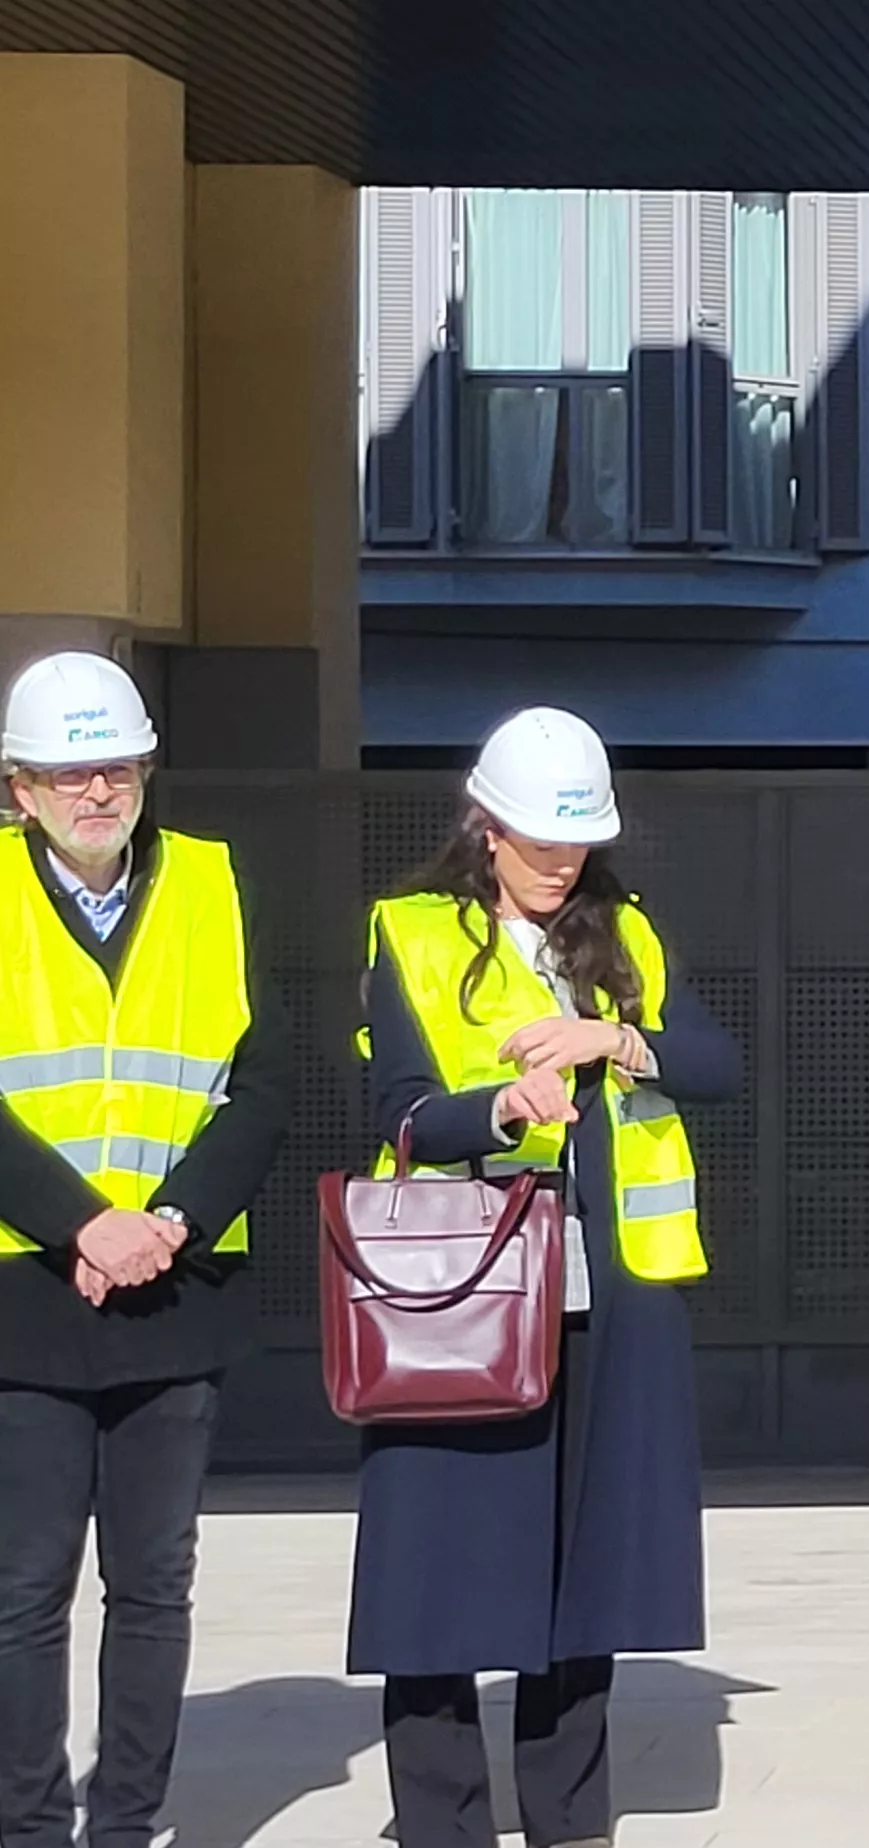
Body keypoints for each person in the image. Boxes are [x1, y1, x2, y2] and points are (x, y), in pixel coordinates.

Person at [353, 707, 745, 1848]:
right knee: (435, 1570)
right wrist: (503, 1106)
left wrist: (612, 1042)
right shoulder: (411, 934)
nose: (560, 863)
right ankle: (443, 1822)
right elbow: (398, 1110)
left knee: (588, 1571)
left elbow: (715, 1062)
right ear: (486, 828)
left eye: (576, 844)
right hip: (459, 1294)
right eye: (538, 842)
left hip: (608, 1292)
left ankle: (570, 1819)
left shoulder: (624, 934)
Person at [0, 653, 283, 1848]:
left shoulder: (216, 885)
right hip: (27, 1287)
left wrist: (166, 1223)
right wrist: (86, 1223)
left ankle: (127, 1824)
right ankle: (24, 1823)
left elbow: (263, 1086)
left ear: (147, 766)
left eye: (112, 766)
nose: (95, 791)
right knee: (22, 1592)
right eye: (67, 774)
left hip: (178, 1281)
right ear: (19, 790)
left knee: (154, 1585)